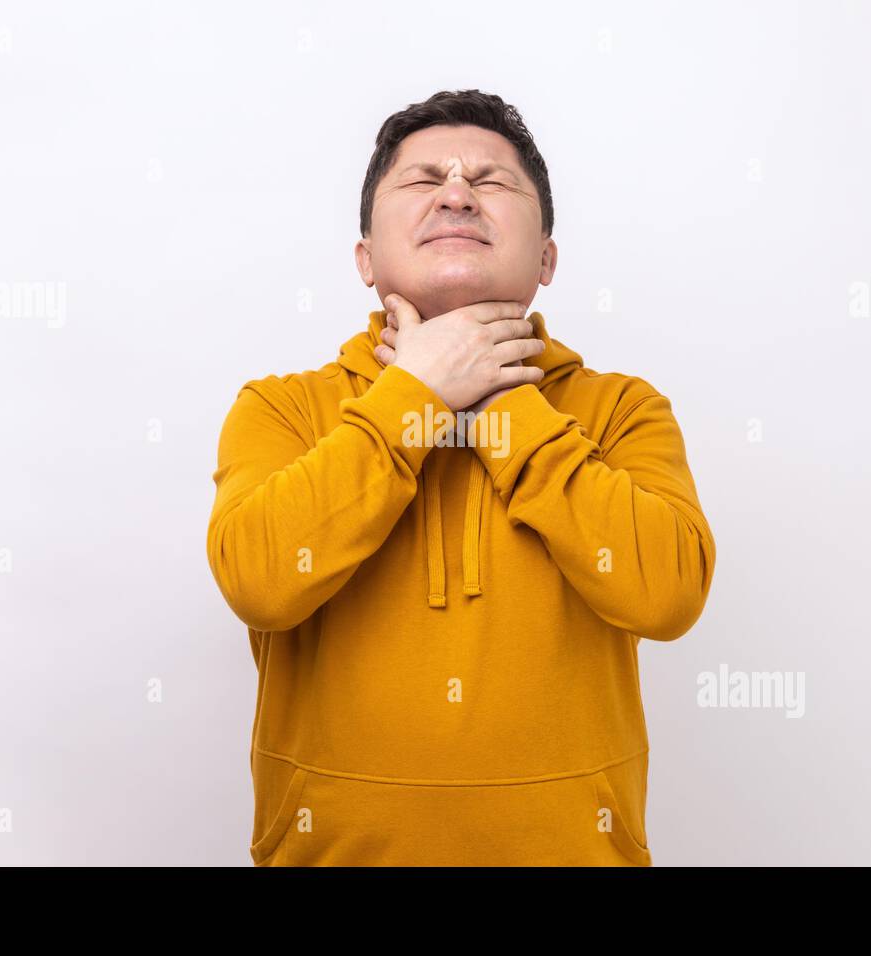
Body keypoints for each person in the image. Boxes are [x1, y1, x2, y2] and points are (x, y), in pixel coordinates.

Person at [206, 89, 716, 866]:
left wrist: (500, 401)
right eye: (422, 180)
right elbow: (260, 580)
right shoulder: (282, 409)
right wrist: (412, 399)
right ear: (365, 257)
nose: (456, 193)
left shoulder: (621, 411)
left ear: (546, 257)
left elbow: (668, 594)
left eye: (491, 181)